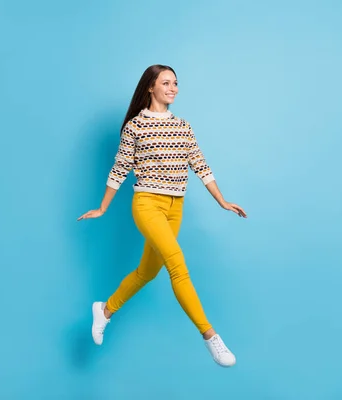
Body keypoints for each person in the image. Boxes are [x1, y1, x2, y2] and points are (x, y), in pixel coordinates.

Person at [77, 64, 247, 367]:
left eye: (176, 83)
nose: (173, 88)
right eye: (166, 83)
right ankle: (211, 337)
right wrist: (102, 208)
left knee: (147, 272)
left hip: (175, 206)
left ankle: (104, 310)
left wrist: (222, 200)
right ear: (150, 88)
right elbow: (119, 169)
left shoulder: (183, 126)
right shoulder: (135, 127)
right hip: (147, 205)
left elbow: (200, 165)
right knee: (177, 266)